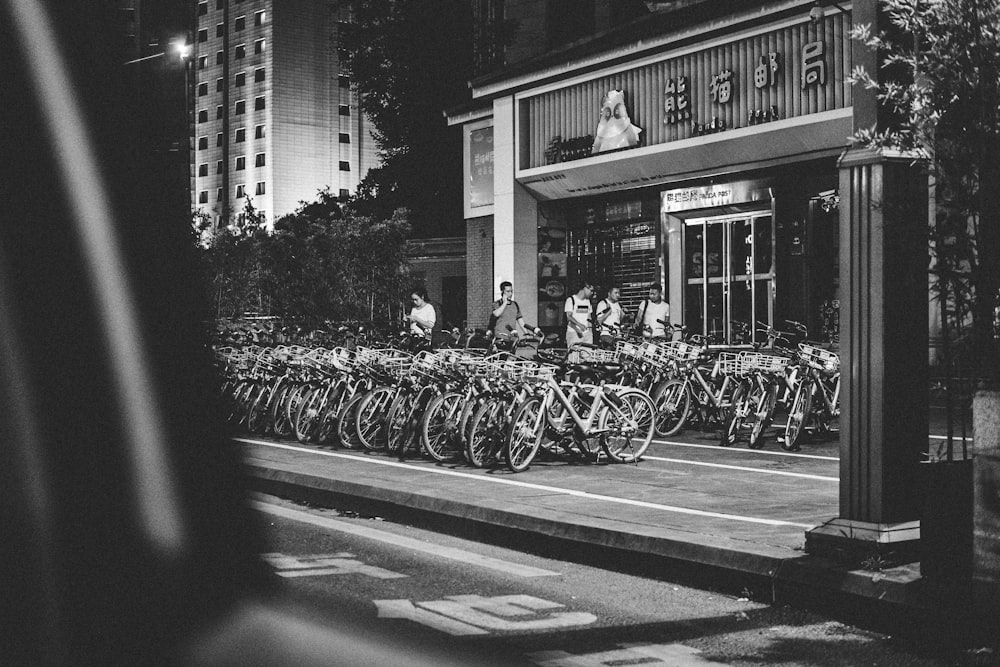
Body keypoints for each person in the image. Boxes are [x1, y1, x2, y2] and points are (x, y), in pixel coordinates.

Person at [564, 281, 594, 348]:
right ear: (585, 288)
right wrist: (579, 325)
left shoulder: (588, 301)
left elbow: (589, 317)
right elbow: (569, 317)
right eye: (591, 290)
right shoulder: (571, 300)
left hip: (586, 334)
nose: (592, 293)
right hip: (574, 333)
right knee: (574, 356)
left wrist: (590, 333)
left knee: (588, 356)